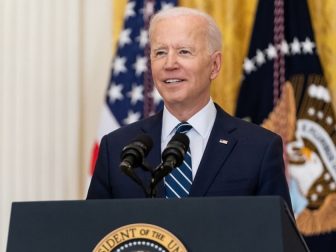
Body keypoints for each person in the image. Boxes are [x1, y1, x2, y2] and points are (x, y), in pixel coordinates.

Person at [87, 7, 293, 211]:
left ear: (214, 65)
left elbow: (278, 240)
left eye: (184, 52)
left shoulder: (259, 149)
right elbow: (93, 236)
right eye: (160, 52)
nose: (169, 64)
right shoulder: (117, 149)